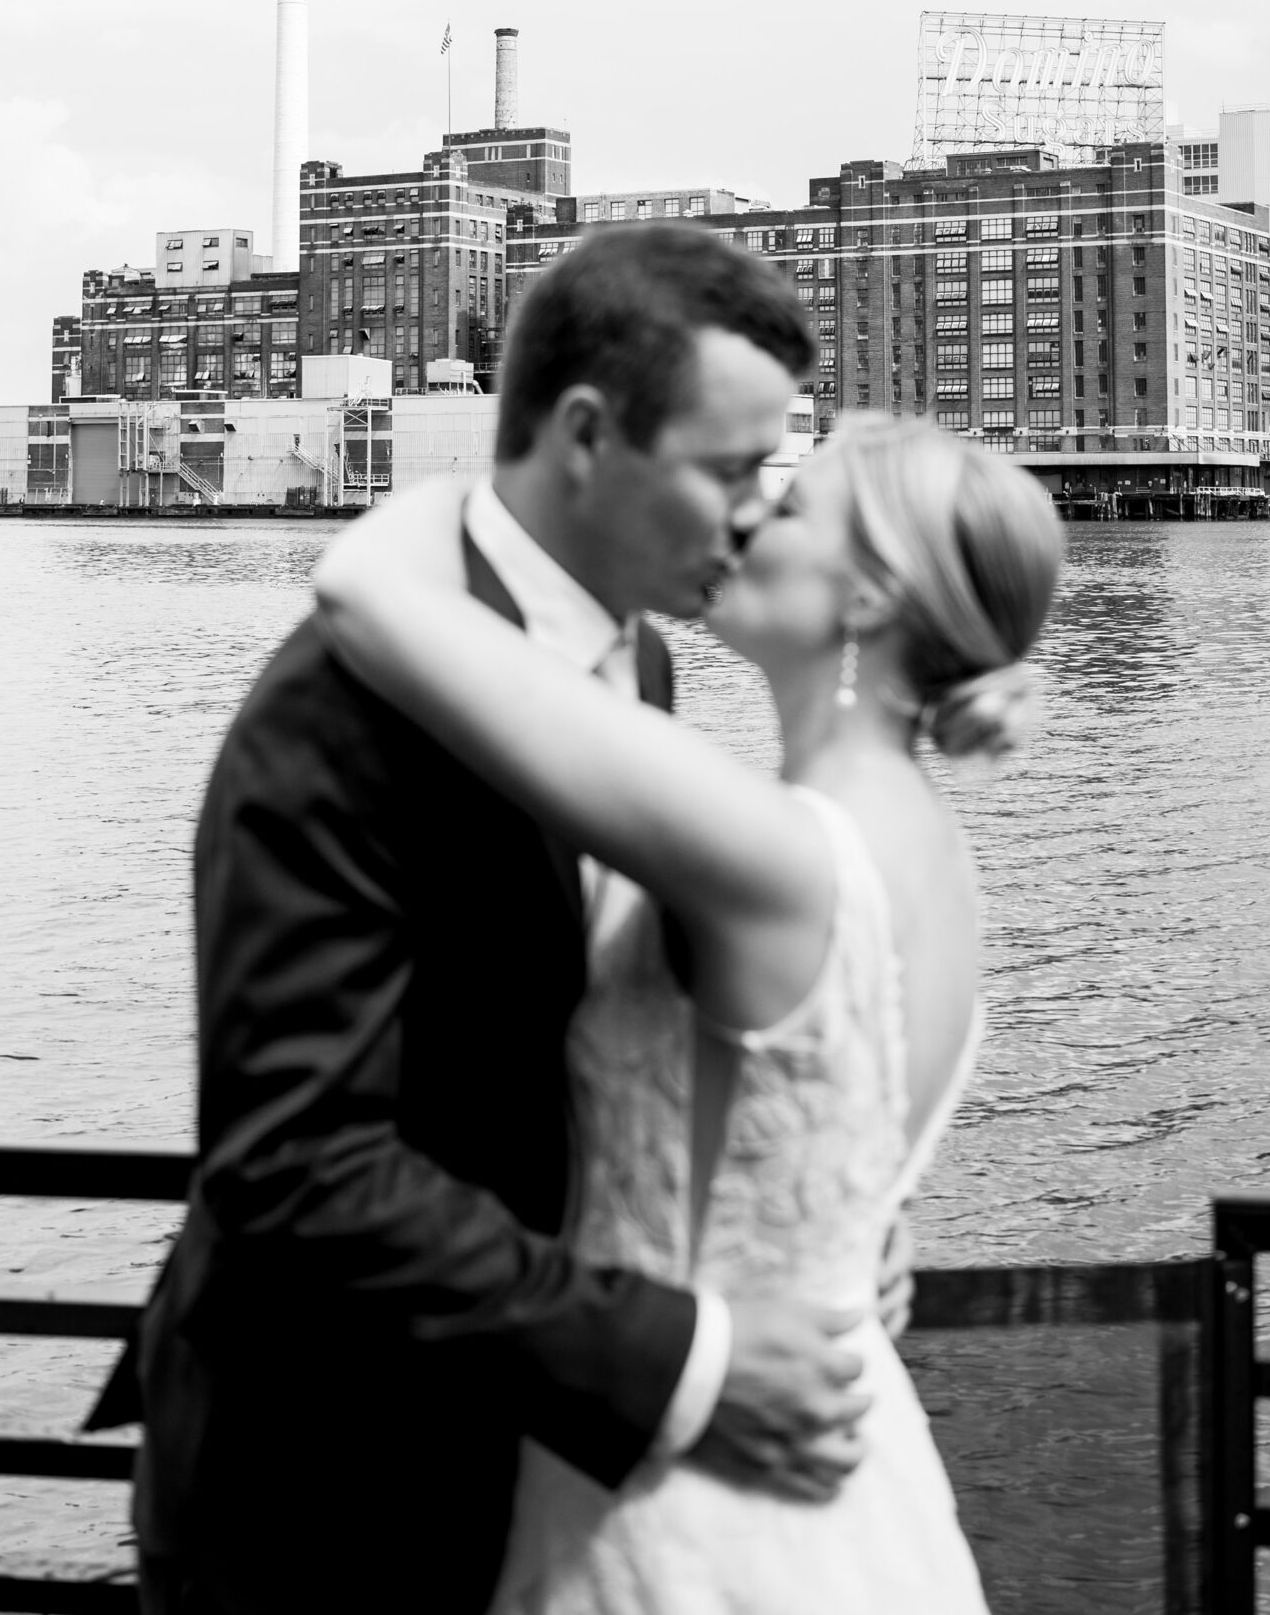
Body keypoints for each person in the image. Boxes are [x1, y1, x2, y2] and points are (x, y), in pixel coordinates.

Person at [128, 229, 883, 1615]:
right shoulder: (340, 709)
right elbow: (294, 1169)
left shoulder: (638, 658)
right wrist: (688, 1362)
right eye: (726, 469)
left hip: (526, 1444)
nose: (748, 516)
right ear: (588, 434)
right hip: (330, 1485)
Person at [314, 330, 1063, 1609]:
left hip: (689, 1494)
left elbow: (363, 592)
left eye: (793, 496)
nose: (748, 505)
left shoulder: (772, 849)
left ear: (869, 597)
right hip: (848, 1464)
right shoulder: (935, 855)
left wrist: (506, 470)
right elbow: (826, 1147)